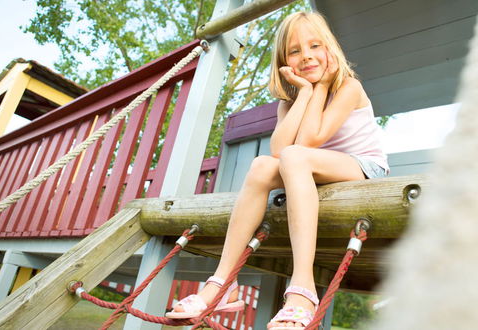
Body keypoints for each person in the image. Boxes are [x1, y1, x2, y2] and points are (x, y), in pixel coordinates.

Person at [166, 11, 389, 329]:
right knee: (260, 166)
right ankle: (223, 282)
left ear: (330, 49)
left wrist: (321, 88)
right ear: (284, 61)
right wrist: (306, 94)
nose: (307, 56)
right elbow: (278, 151)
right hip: (313, 169)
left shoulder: (348, 88)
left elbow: (309, 142)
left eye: (315, 46)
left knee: (297, 156)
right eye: (295, 51)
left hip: (365, 167)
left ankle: (303, 288)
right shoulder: (290, 102)